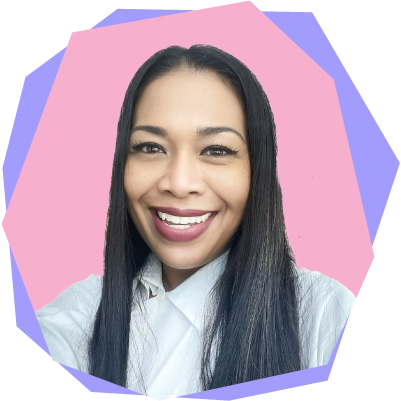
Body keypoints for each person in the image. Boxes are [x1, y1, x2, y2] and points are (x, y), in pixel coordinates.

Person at [36, 44, 356, 400]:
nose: (179, 183)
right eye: (151, 147)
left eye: (216, 150)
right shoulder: (79, 318)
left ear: (257, 170)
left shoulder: (324, 317)